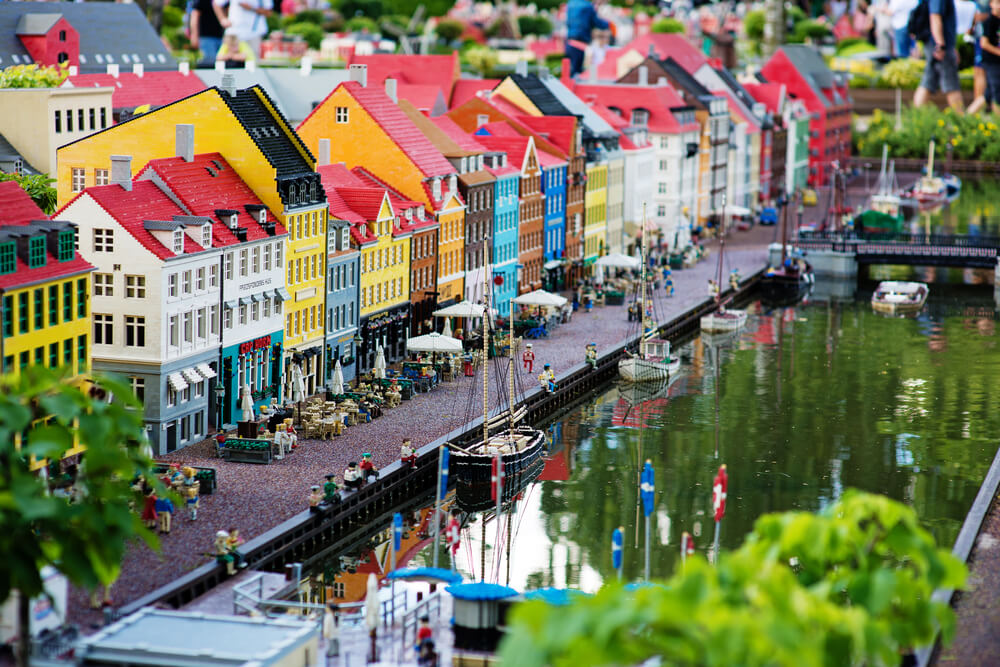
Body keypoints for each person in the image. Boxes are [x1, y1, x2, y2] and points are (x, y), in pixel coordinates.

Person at [914, 0, 965, 111]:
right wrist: (940, 45)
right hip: (939, 45)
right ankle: (961, 120)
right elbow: (935, 16)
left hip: (937, 44)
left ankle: (916, 118)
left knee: (928, 82)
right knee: (951, 83)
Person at [565, 0, 609, 77]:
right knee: (577, 74)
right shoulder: (587, 6)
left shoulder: (571, 3)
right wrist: (608, 24)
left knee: (570, 73)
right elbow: (596, 22)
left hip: (570, 43)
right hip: (580, 44)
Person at [980, 0, 1000, 112]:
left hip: (996, 61)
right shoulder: (989, 21)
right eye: (997, 3)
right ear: (991, 4)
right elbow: (984, 43)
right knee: (997, 92)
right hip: (991, 61)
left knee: (987, 94)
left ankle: (967, 117)